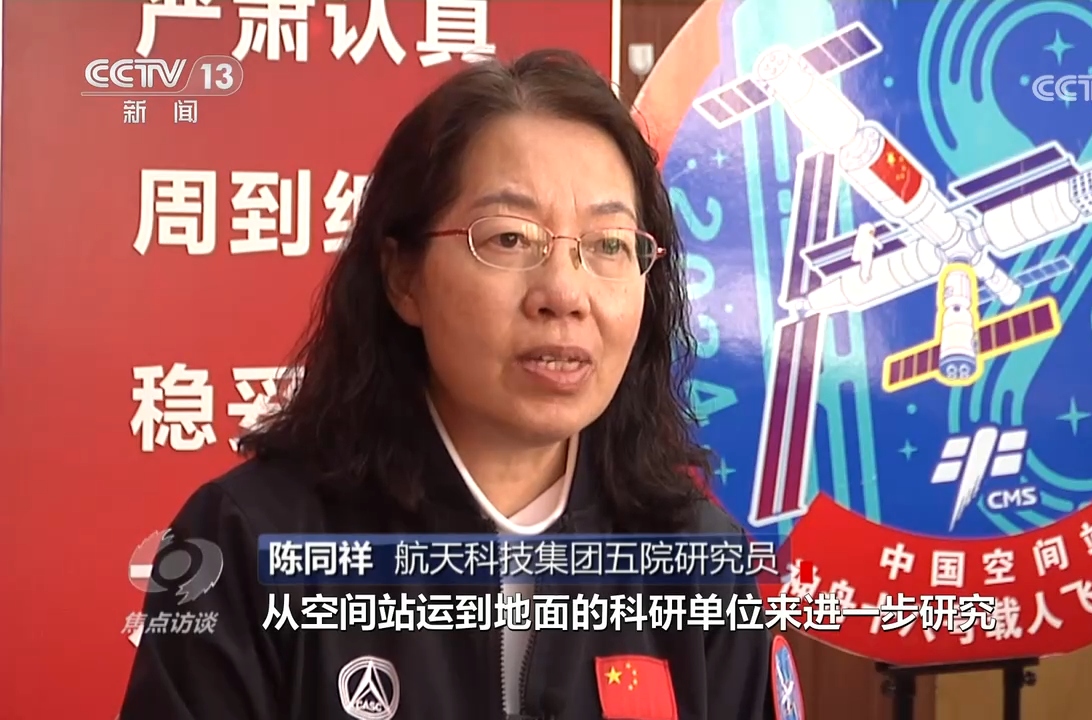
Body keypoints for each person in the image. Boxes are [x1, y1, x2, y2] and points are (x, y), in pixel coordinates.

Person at [119, 49, 782, 720]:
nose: (564, 294)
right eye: (509, 239)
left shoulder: (702, 563)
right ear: (403, 277)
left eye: (608, 244)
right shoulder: (246, 542)